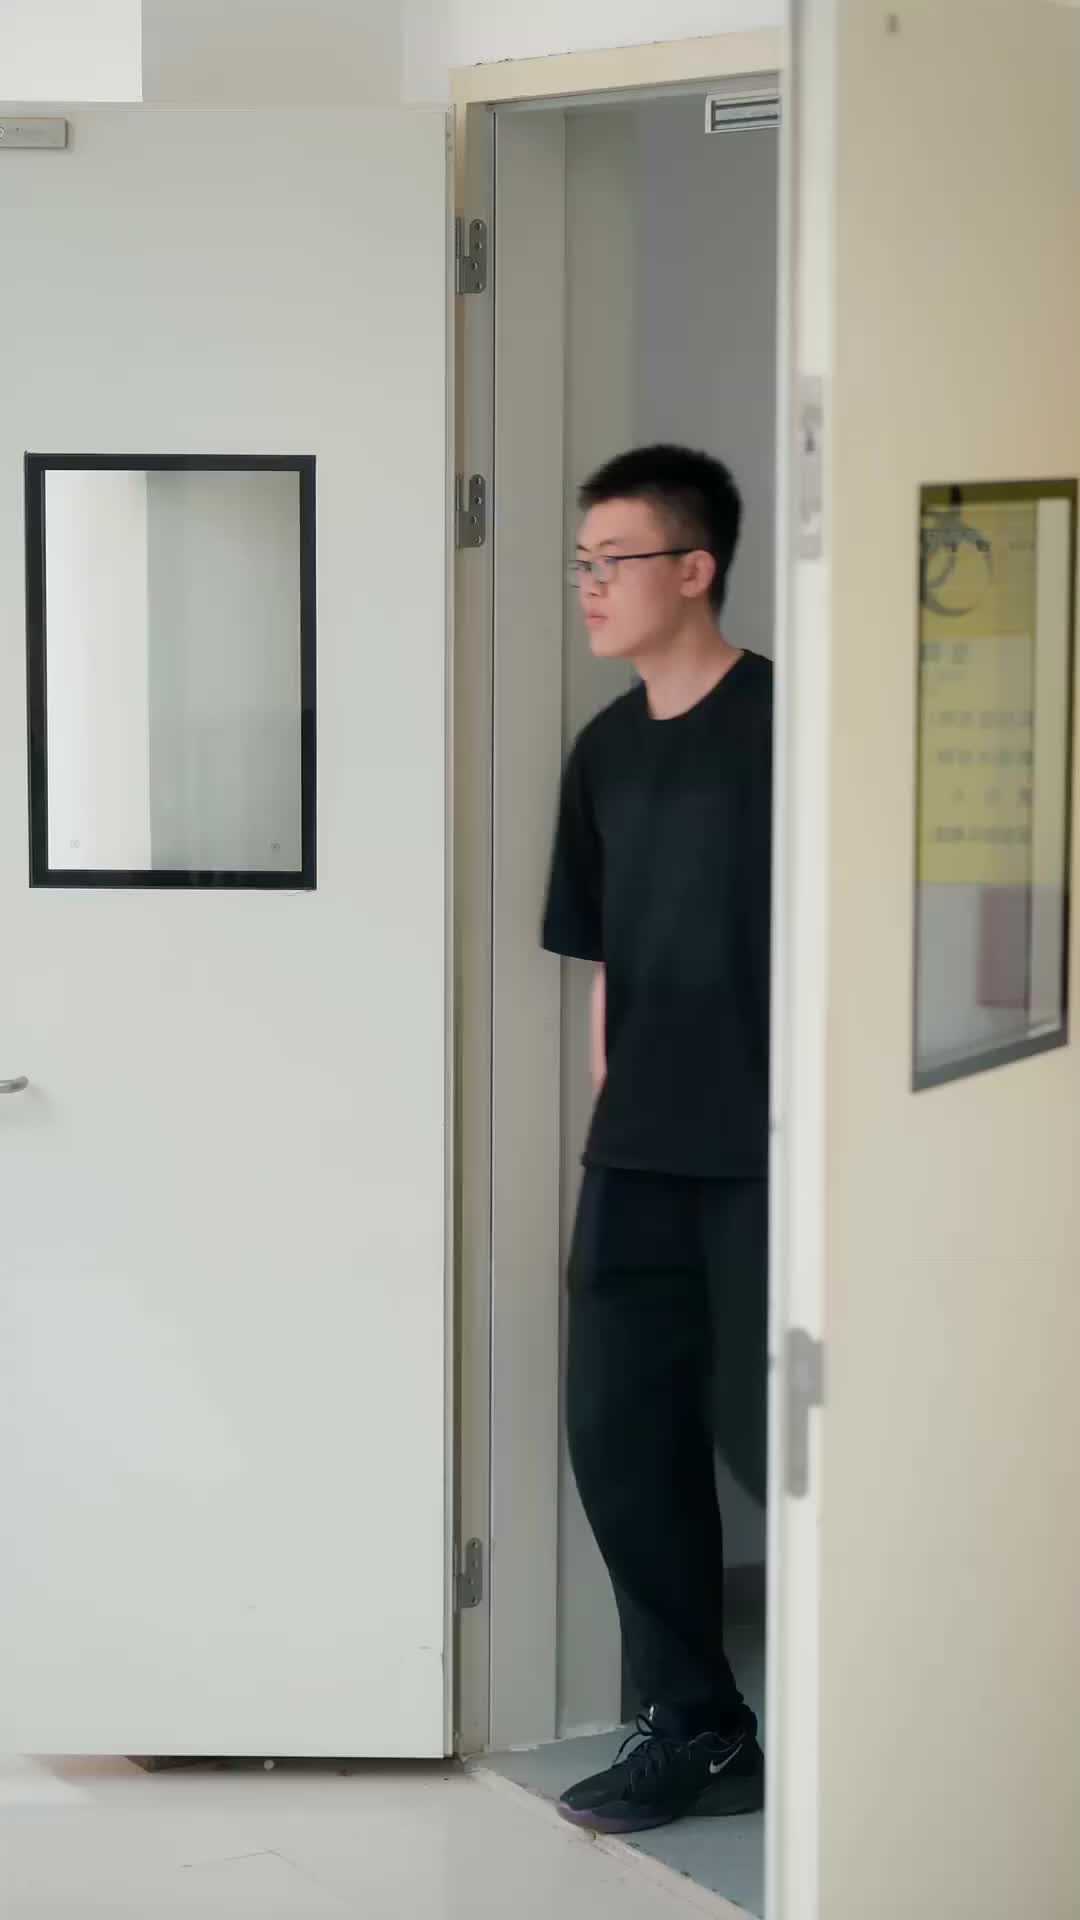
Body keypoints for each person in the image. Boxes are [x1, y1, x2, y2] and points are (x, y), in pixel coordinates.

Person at [542, 444, 772, 1836]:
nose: (589, 586)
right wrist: (606, 1116)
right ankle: (697, 1730)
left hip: (773, 1157)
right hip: (636, 1161)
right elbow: (607, 963)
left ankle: (895, 1733)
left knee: (786, 1449)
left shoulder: (790, 728)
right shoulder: (606, 750)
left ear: (695, 569)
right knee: (620, 1440)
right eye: (580, 564)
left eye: (611, 561)